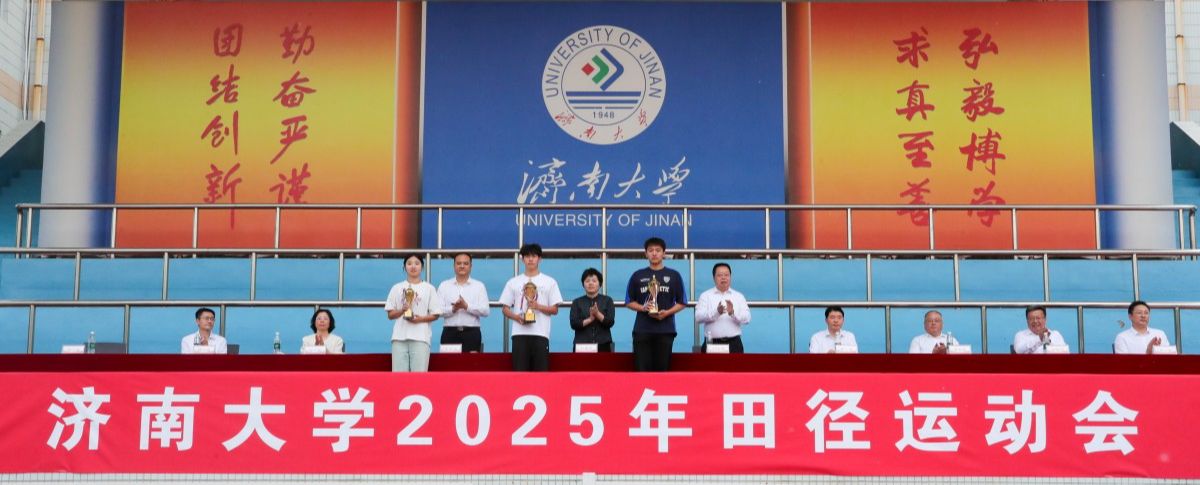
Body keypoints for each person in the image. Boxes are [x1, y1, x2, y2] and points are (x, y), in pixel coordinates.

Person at [626, 237, 687, 371]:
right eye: (651, 250)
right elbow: (629, 301)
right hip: (642, 330)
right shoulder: (637, 275)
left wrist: (667, 313)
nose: (654, 253)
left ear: (664, 253)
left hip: (665, 330)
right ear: (646, 253)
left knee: (662, 371)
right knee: (641, 371)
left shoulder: (674, 275)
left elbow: (682, 302)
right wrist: (643, 308)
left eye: (658, 250)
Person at [499, 243, 563, 371]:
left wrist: (537, 306)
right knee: (519, 373)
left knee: (541, 373)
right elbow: (505, 308)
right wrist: (517, 317)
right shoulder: (513, 282)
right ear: (522, 259)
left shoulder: (549, 282)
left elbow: (554, 309)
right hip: (519, 333)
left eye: (534, 256)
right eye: (527, 256)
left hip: (541, 334)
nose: (530, 259)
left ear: (540, 259)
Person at [385, 253, 443, 371]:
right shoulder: (396, 288)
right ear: (404, 267)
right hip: (399, 338)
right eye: (409, 263)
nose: (413, 266)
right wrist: (402, 310)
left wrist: (418, 319)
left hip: (421, 338)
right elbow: (390, 315)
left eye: (417, 263)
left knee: (419, 376)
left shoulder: (429, 288)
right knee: (399, 376)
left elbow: (435, 314)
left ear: (422, 267)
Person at [436, 252, 490, 353]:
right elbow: (437, 310)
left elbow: (485, 311)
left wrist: (466, 306)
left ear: (471, 266)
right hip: (449, 332)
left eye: (465, 263)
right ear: (454, 265)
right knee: (449, 362)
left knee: (471, 363)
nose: (462, 266)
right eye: (459, 263)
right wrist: (453, 309)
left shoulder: (479, 286)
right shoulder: (444, 285)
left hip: (472, 333)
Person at [694, 262, 751, 353]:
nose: (723, 278)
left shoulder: (739, 296)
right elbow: (698, 317)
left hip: (734, 343)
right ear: (714, 278)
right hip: (712, 343)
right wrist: (716, 312)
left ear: (730, 277)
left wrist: (733, 313)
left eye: (726, 275)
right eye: (720, 275)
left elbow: (747, 318)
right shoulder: (705, 296)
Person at [569, 268, 616, 352]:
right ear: (583, 284)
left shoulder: (608, 300)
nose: (590, 283)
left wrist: (597, 314)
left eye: (594, 281)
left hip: (604, 344)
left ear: (600, 284)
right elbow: (574, 324)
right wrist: (590, 319)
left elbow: (610, 322)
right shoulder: (577, 302)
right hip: (582, 345)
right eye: (587, 281)